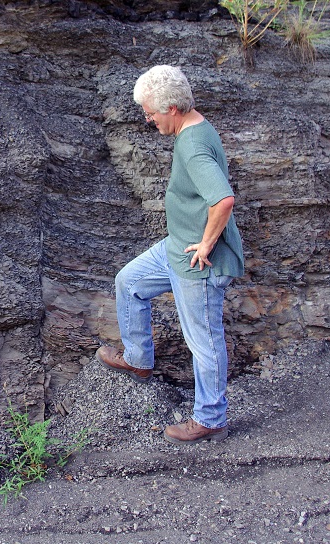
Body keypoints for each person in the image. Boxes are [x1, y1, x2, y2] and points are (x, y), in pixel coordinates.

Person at [97, 65, 244, 444]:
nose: (148, 119)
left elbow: (224, 199)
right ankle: (139, 360)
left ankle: (210, 418)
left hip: (199, 263)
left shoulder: (193, 146)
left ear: (173, 108)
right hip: (175, 247)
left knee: (204, 341)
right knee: (129, 281)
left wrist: (208, 243)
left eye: (151, 112)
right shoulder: (196, 127)